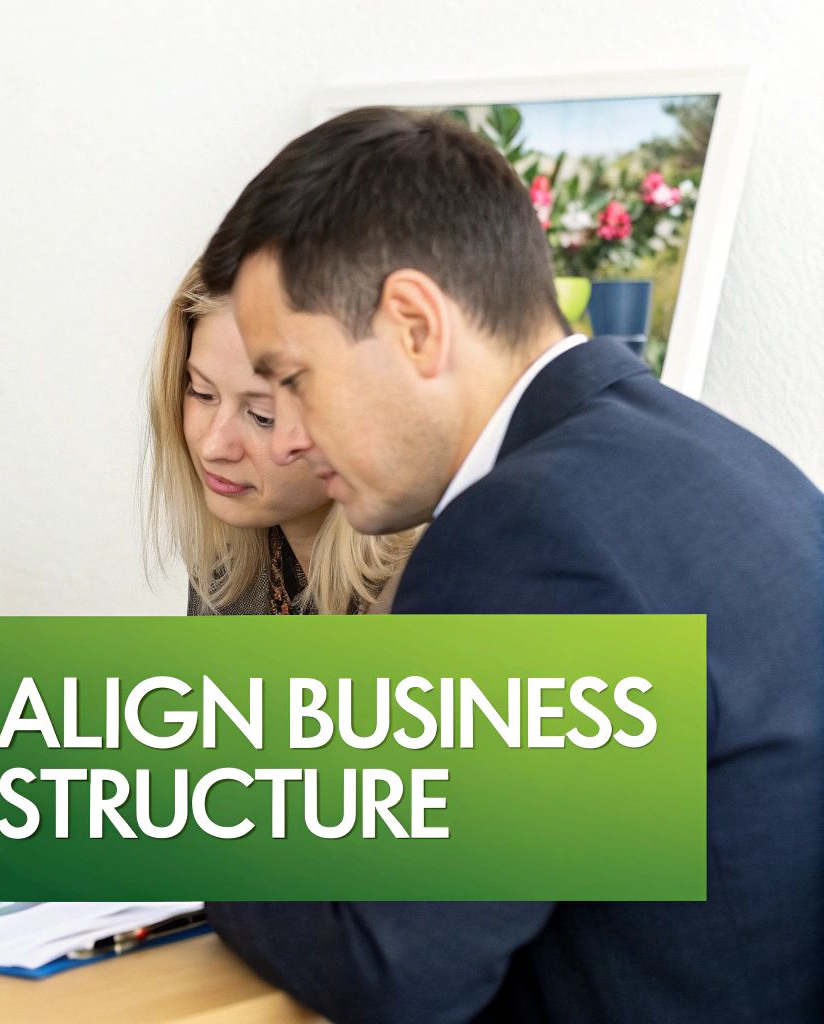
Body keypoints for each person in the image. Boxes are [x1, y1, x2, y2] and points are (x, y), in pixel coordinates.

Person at [197, 105, 823, 1022]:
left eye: (292, 379)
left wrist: (173, 821)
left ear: (414, 325)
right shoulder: (730, 462)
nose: (286, 433)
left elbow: (395, 968)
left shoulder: (529, 534)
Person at [144, 262, 413, 616]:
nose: (213, 447)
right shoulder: (231, 565)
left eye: (263, 417)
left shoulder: (443, 588)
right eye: (203, 393)